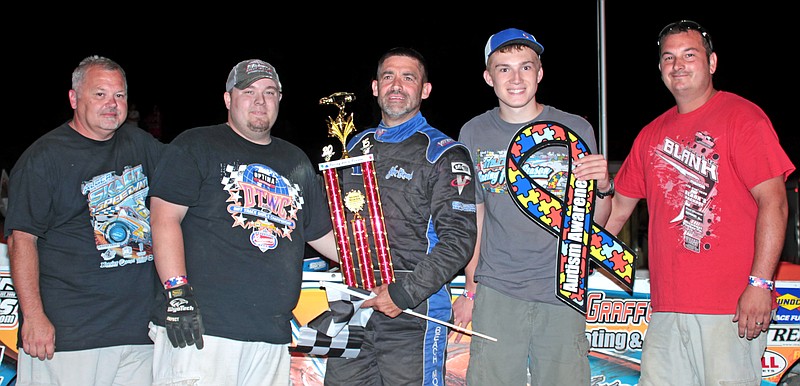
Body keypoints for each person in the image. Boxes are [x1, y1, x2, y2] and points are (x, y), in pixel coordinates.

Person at [604, 20, 796, 385]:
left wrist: (760, 284)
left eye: (689, 55)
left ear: (712, 63)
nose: (678, 65)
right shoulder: (650, 135)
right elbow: (617, 212)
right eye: (668, 58)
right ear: (660, 70)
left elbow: (775, 203)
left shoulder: (744, 118)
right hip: (666, 309)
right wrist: (578, 260)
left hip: (729, 308)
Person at [147, 58, 338, 385]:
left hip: (271, 333)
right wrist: (177, 294)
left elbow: (322, 236)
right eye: (248, 92)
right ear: (228, 99)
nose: (260, 101)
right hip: (202, 330)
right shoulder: (195, 145)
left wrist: (378, 262)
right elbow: (164, 218)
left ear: (280, 99)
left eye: (269, 92)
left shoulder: (296, 162)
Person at [453, 28, 613, 385]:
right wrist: (469, 290)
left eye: (525, 67)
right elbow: (475, 218)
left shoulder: (575, 127)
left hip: (561, 288)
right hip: (497, 289)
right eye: (504, 68)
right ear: (488, 77)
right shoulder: (473, 132)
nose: (515, 78)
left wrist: (603, 188)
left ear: (539, 73)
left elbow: (594, 224)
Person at [3, 55, 163, 385]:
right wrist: (33, 316)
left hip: (140, 333)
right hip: (69, 337)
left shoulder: (143, 145)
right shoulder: (43, 159)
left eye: (119, 95)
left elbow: (187, 194)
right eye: (100, 94)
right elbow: (21, 239)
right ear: (74, 98)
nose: (112, 104)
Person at [323, 47, 477, 385]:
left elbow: (458, 242)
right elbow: (336, 225)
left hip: (412, 311)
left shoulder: (444, 153)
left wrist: (403, 293)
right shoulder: (352, 147)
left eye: (408, 78)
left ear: (424, 90)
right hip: (356, 308)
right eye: (388, 76)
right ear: (375, 87)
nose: (397, 84)